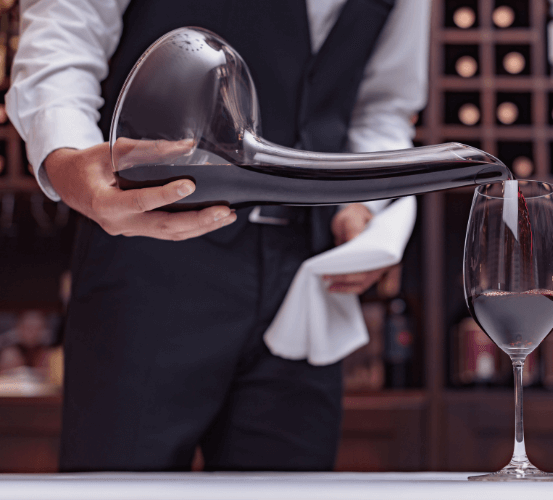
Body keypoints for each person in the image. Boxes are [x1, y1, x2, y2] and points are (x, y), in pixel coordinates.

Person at [7, 0, 429, 471]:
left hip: (306, 277)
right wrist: (68, 158)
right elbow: (67, 27)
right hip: (150, 253)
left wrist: (364, 206)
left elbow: (384, 106)